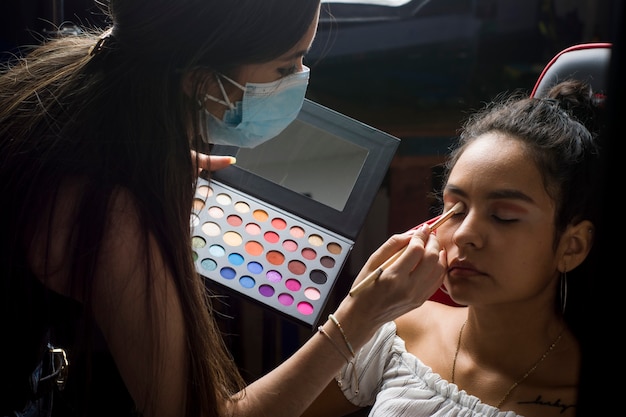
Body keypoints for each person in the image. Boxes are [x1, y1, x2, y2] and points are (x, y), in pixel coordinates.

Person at [0, 1, 448, 417]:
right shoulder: (114, 220)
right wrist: (359, 318)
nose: (300, 76)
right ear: (200, 81)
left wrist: (156, 168)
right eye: (285, 64)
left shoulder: (73, 75)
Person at [301, 79, 602, 417]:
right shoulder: (399, 332)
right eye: (455, 210)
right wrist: (351, 319)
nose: (464, 235)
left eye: (503, 216)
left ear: (571, 246)